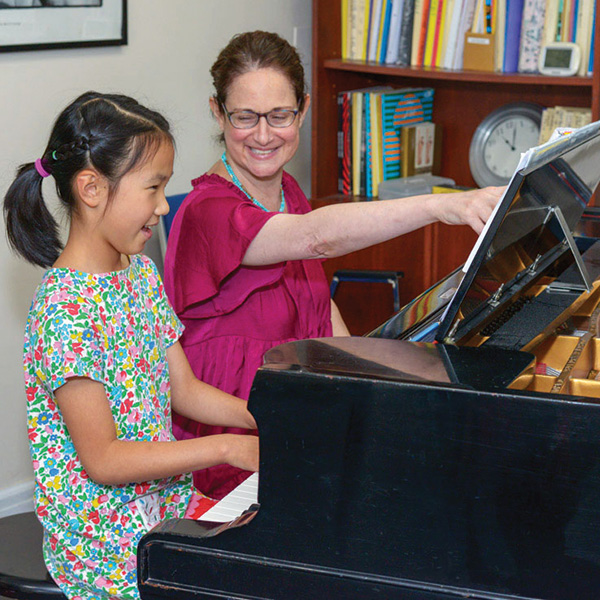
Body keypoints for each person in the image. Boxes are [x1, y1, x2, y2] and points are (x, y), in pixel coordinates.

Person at [163, 30, 503, 500]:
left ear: (302, 110)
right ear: (217, 113)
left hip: (296, 413)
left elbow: (318, 309)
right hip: (232, 439)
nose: (263, 135)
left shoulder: (288, 194)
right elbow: (316, 238)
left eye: (280, 115)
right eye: (245, 117)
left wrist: (377, 385)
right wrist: (441, 207)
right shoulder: (206, 211)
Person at [3, 91, 259, 600]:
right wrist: (227, 446)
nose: (164, 205)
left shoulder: (138, 273)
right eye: (154, 187)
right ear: (93, 188)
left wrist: (265, 416)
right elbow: (105, 460)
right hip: (103, 543)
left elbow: (182, 389)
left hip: (161, 506)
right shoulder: (63, 312)